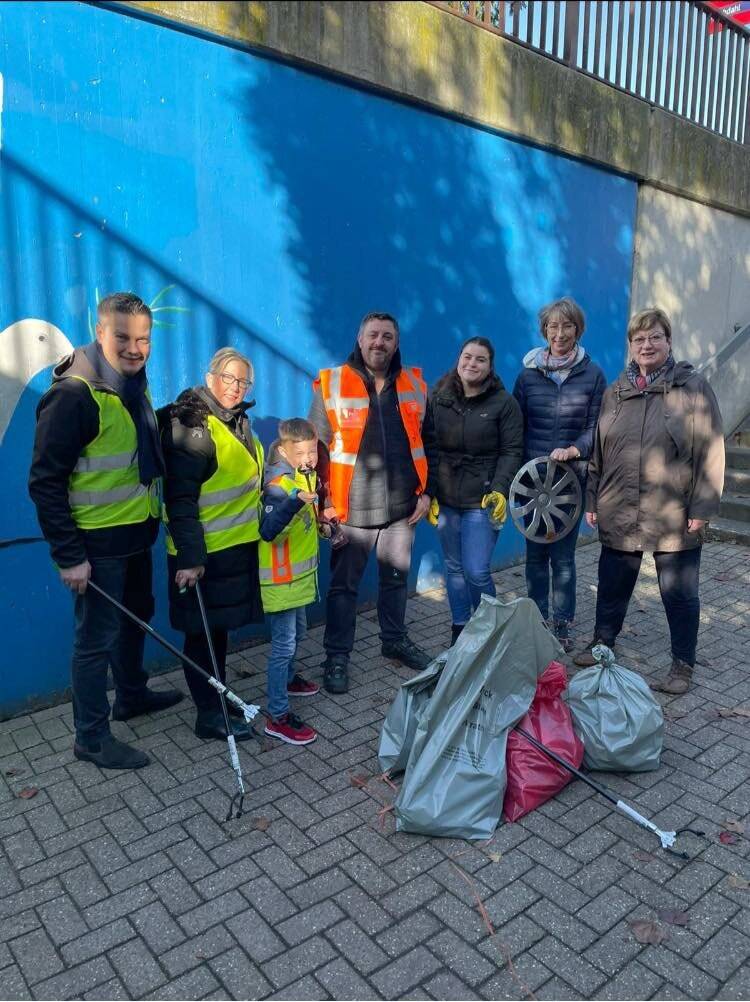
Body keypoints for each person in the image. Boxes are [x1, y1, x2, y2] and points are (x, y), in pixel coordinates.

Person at [28, 292, 182, 770]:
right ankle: (91, 738)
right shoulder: (74, 396)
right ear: (100, 333)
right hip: (96, 545)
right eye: (123, 338)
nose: (135, 348)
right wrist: (69, 555)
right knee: (94, 640)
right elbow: (44, 482)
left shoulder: (131, 381)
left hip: (136, 533)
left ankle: (131, 694)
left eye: (143, 339)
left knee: (136, 617)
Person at [575, 308, 725, 694]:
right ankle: (602, 643)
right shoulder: (616, 391)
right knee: (612, 585)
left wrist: (702, 509)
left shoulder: (692, 387)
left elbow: (711, 450)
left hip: (673, 511)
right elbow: (599, 452)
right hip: (618, 507)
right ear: (630, 346)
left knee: (678, 592)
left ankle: (682, 664)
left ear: (668, 342)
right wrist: (592, 498)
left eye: (655, 337)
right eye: (639, 339)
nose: (647, 345)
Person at [308, 311, 437, 694]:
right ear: (359, 339)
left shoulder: (414, 383)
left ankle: (394, 641)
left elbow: (429, 441)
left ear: (396, 343)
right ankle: (336, 656)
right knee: (343, 589)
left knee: (396, 582)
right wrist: (323, 503)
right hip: (351, 510)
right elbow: (314, 451)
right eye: (373, 335)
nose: (379, 343)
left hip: (403, 507)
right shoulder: (331, 383)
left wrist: (428, 493)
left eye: (387, 337)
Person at [159, 347, 263, 741]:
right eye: (228, 378)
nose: (235, 387)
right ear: (210, 378)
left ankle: (218, 697)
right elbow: (179, 499)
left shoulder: (234, 419)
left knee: (215, 631)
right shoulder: (193, 425)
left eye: (242, 381)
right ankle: (208, 715)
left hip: (228, 552)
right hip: (201, 557)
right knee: (200, 636)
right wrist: (190, 557)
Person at [513, 297, 606, 651]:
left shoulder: (593, 375)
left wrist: (575, 449)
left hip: (570, 483)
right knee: (535, 557)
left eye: (567, 326)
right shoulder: (527, 375)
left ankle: (562, 625)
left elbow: (596, 425)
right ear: (544, 331)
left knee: (563, 559)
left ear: (577, 330)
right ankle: (537, 620)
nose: (560, 333)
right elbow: (516, 425)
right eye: (553, 326)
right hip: (532, 482)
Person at [425, 337, 523, 645]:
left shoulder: (503, 404)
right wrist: (429, 491)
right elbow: (428, 446)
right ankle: (460, 627)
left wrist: (500, 490)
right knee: (453, 568)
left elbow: (511, 450)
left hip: (481, 499)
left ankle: (490, 628)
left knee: (476, 570)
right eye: (467, 357)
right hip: (446, 500)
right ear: (458, 360)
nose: (472, 363)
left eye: (480, 359)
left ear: (490, 367)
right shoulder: (439, 397)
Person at [258, 418, 322, 745]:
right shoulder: (278, 485)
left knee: (297, 635)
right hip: (281, 582)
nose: (309, 457)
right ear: (284, 450)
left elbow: (304, 525)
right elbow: (269, 530)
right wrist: (297, 502)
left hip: (297, 579)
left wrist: (324, 526)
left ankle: (289, 680)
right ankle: (277, 715)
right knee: (283, 646)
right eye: (301, 452)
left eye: (312, 450)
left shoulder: (304, 476)